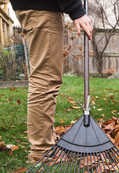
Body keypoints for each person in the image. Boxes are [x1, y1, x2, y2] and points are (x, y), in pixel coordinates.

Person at [10, 0, 93, 162]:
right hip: (42, 9)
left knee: (43, 78)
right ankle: (42, 151)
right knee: (45, 80)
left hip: (36, 8)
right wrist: (76, 9)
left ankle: (44, 142)